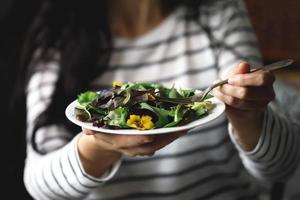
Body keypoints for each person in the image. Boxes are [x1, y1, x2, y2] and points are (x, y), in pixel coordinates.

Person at [19, 0, 300, 199]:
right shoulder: (60, 31)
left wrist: (250, 117)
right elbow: (40, 185)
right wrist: (99, 145)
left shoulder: (219, 10)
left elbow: (282, 166)